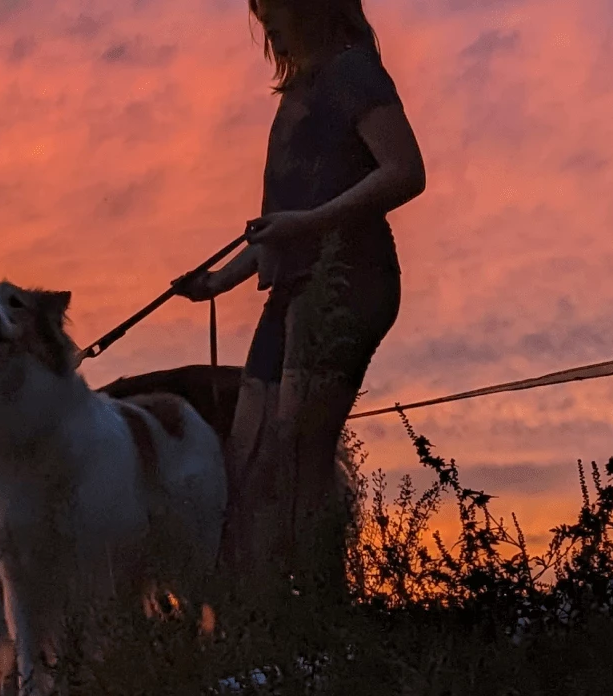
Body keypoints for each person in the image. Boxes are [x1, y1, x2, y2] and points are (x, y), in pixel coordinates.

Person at [172, 0, 426, 602]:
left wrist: (309, 221)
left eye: (277, 8)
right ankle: (263, 610)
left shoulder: (353, 73)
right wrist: (220, 280)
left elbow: (405, 171)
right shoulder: (298, 95)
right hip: (292, 287)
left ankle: (320, 609)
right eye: (262, 12)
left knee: (299, 455)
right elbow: (278, 231)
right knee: (251, 457)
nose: (268, 24)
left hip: (345, 277)